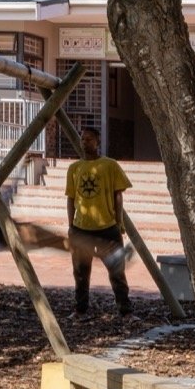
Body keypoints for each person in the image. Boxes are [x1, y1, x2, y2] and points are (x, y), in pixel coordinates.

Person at [65, 126, 133, 318]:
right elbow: (71, 198)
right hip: (81, 228)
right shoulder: (74, 168)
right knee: (80, 272)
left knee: (116, 271)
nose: (85, 142)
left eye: (89, 139)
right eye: (82, 139)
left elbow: (118, 195)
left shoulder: (110, 165)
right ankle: (80, 309)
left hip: (107, 228)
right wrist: (71, 225)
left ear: (97, 142)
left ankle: (125, 310)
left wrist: (119, 222)